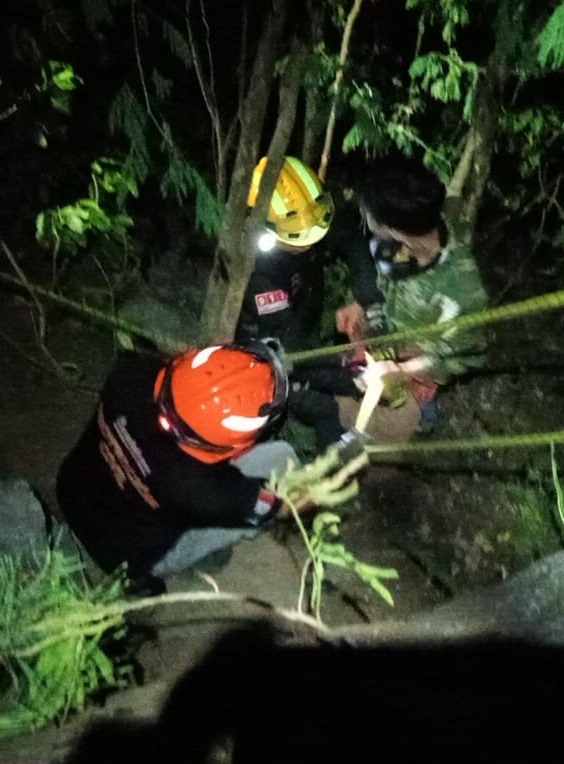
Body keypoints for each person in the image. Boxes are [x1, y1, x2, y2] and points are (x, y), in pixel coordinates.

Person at [55, 341, 301, 594]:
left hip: (71, 491)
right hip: (128, 560)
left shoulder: (130, 376)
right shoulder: (206, 492)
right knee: (282, 457)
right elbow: (280, 505)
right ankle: (152, 575)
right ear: (236, 447)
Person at [335, 155, 488, 436]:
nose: (364, 219)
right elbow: (382, 278)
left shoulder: (461, 289)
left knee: (374, 431)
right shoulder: (395, 240)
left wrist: (402, 371)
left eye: (369, 215)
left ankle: (422, 412)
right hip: (380, 342)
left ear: (392, 228)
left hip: (415, 367)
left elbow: (461, 356)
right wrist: (362, 302)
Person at [235, 156, 382, 446]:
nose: (311, 244)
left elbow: (352, 243)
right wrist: (349, 372)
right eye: (300, 241)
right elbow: (289, 346)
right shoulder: (257, 269)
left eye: (316, 236)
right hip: (273, 348)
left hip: (306, 311)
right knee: (325, 409)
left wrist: (364, 299)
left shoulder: (313, 212)